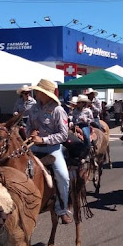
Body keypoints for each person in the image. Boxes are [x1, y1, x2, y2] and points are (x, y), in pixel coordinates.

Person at [27, 78, 73, 225]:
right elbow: (28, 126)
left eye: (39, 91)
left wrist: (44, 140)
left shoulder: (58, 110)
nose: (36, 93)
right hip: (33, 147)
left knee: (63, 176)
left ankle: (62, 208)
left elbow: (63, 134)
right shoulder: (33, 108)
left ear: (45, 93)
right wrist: (30, 133)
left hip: (53, 149)